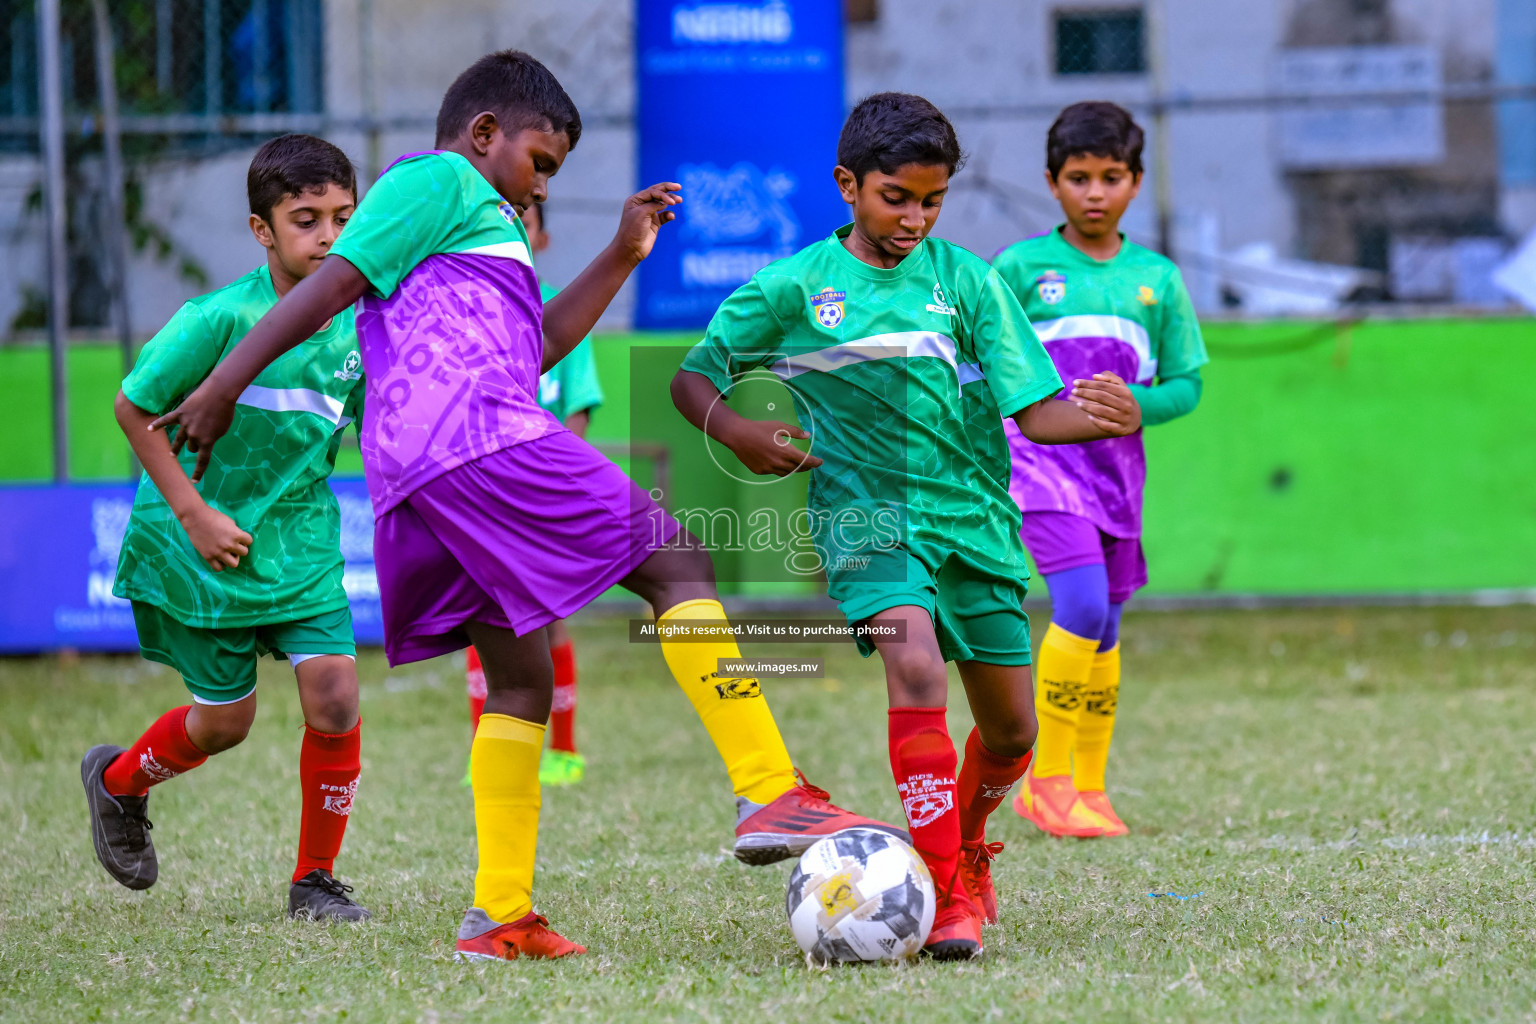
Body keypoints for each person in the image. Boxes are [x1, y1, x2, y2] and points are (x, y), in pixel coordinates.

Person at [146, 51, 904, 962]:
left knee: (520, 681)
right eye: (540, 163)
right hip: (477, 438)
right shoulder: (436, 181)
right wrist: (226, 381)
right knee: (678, 560)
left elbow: (536, 344)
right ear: (482, 135)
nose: (542, 186)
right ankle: (767, 786)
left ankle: (497, 915)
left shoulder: (481, 231)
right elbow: (330, 288)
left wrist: (623, 254)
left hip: (426, 475)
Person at [671, 93, 1142, 960]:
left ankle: (967, 841)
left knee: (1012, 733)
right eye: (896, 197)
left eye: (931, 200)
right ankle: (943, 893)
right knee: (915, 664)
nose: (914, 218)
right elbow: (693, 378)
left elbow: (1035, 415)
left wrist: (1110, 415)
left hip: (973, 526)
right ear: (848, 186)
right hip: (867, 525)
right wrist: (737, 429)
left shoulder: (965, 280)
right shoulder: (795, 287)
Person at [80, 134, 370, 922]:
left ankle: (315, 880)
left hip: (301, 538)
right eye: (306, 219)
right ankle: (117, 783)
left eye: (344, 217)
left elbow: (381, 423)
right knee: (225, 725)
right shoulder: (217, 318)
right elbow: (133, 408)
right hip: (200, 545)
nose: (329, 238)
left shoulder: (362, 325)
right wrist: (195, 513)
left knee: (337, 697)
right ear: (262, 231)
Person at [993, 102, 1208, 839]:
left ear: (1136, 183)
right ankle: (1043, 782)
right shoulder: (1019, 269)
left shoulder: (1158, 279)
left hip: (1117, 477)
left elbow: (1188, 385)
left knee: (1107, 625)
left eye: (1110, 177)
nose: (1094, 192)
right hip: (1038, 466)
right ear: (1052, 184)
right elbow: (977, 360)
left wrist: (1138, 406)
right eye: (1077, 177)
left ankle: (1088, 784)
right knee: (1079, 605)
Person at [463, 200, 601, 787]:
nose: (514, 229)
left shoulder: (564, 313)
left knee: (551, 622)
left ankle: (563, 751)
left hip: (542, 498)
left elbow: (577, 410)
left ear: (540, 239)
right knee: (484, 616)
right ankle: (485, 753)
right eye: (502, 219)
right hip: (482, 500)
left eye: (526, 219)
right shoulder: (464, 315)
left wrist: (553, 485)